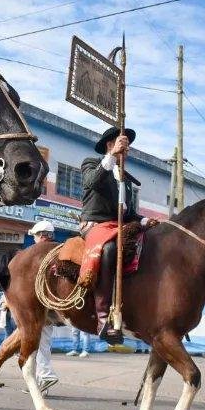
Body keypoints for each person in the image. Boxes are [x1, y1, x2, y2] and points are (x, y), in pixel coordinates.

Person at [80, 127, 156, 344]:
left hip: (118, 226)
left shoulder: (126, 179)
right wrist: (112, 156)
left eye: (128, 146)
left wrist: (144, 221)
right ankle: (103, 317)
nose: (127, 149)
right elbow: (91, 183)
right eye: (123, 144)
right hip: (95, 225)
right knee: (110, 248)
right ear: (109, 145)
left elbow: (128, 213)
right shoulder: (91, 163)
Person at [28, 220, 60, 393]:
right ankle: (41, 383)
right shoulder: (60, 250)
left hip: (39, 306)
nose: (34, 239)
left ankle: (46, 375)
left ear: (40, 235)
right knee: (43, 343)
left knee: (37, 343)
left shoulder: (37, 254)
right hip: (55, 305)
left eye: (34, 235)